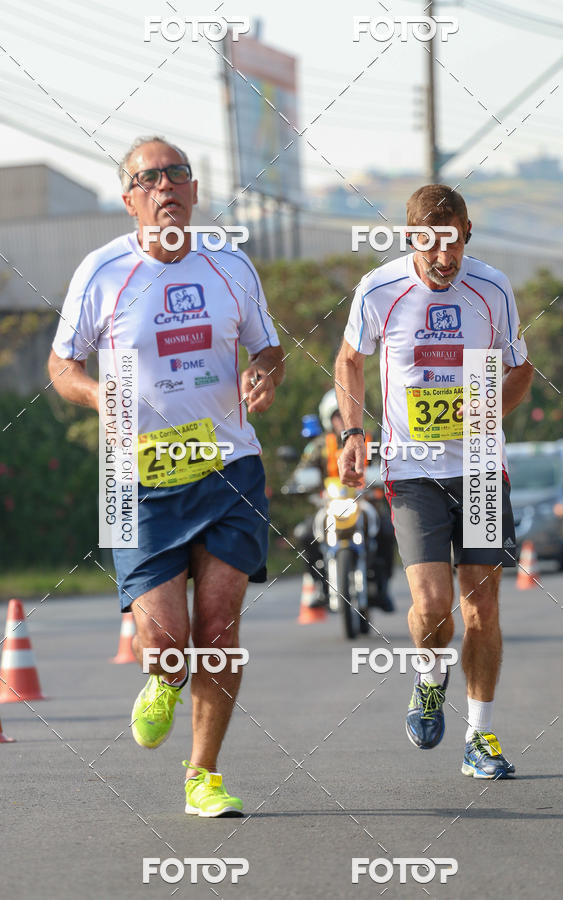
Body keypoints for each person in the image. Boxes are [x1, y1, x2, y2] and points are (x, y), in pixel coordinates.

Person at [48, 136, 284, 815]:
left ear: (195, 191)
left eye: (177, 173)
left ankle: (203, 775)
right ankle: (164, 675)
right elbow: (62, 366)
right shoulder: (102, 272)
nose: (165, 186)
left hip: (229, 465)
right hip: (138, 477)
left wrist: (265, 373)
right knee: (166, 641)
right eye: (149, 178)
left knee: (220, 626)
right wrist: (98, 395)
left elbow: (269, 348)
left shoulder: (230, 264)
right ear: (130, 200)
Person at [335, 184, 534, 778]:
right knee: (431, 605)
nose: (444, 259)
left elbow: (520, 370)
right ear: (410, 239)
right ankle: (428, 677)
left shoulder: (492, 288)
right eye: (430, 245)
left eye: (454, 245)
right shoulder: (379, 290)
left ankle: (480, 736)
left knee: (482, 609)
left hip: (480, 467)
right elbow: (349, 359)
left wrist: (489, 407)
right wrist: (353, 432)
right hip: (413, 471)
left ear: (467, 234)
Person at [293, 390, 395, 612]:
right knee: (304, 534)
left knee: (387, 531)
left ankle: (383, 588)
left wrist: (383, 478)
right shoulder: (319, 445)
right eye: (338, 415)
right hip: (330, 505)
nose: (343, 419)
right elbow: (302, 470)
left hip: (366, 503)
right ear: (328, 419)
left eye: (348, 413)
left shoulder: (371, 441)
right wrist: (299, 482)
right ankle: (320, 586)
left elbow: (386, 465)